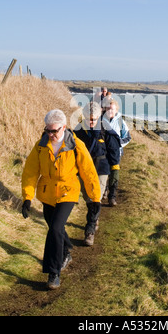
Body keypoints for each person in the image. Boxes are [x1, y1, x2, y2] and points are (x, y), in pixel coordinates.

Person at [21, 109, 101, 290]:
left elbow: (88, 172)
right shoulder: (41, 145)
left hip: (68, 192)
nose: (50, 135)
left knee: (55, 228)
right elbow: (30, 172)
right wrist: (27, 197)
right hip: (47, 193)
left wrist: (95, 199)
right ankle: (65, 251)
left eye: (54, 131)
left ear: (64, 127)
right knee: (55, 228)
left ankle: (53, 272)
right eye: (47, 130)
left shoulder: (75, 145)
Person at [75, 102, 121, 245]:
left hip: (101, 168)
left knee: (96, 198)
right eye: (88, 118)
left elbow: (113, 151)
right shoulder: (78, 131)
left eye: (94, 119)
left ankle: (89, 232)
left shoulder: (106, 130)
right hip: (84, 169)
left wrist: (114, 169)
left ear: (99, 117)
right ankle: (94, 217)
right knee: (88, 198)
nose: (91, 122)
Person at [102, 99, 131, 204]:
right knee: (104, 171)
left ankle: (112, 196)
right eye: (108, 108)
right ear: (105, 109)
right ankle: (104, 191)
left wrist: (118, 144)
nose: (110, 110)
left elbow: (127, 137)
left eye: (112, 109)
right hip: (103, 152)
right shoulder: (100, 120)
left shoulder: (120, 121)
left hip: (116, 153)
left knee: (114, 172)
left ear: (116, 110)